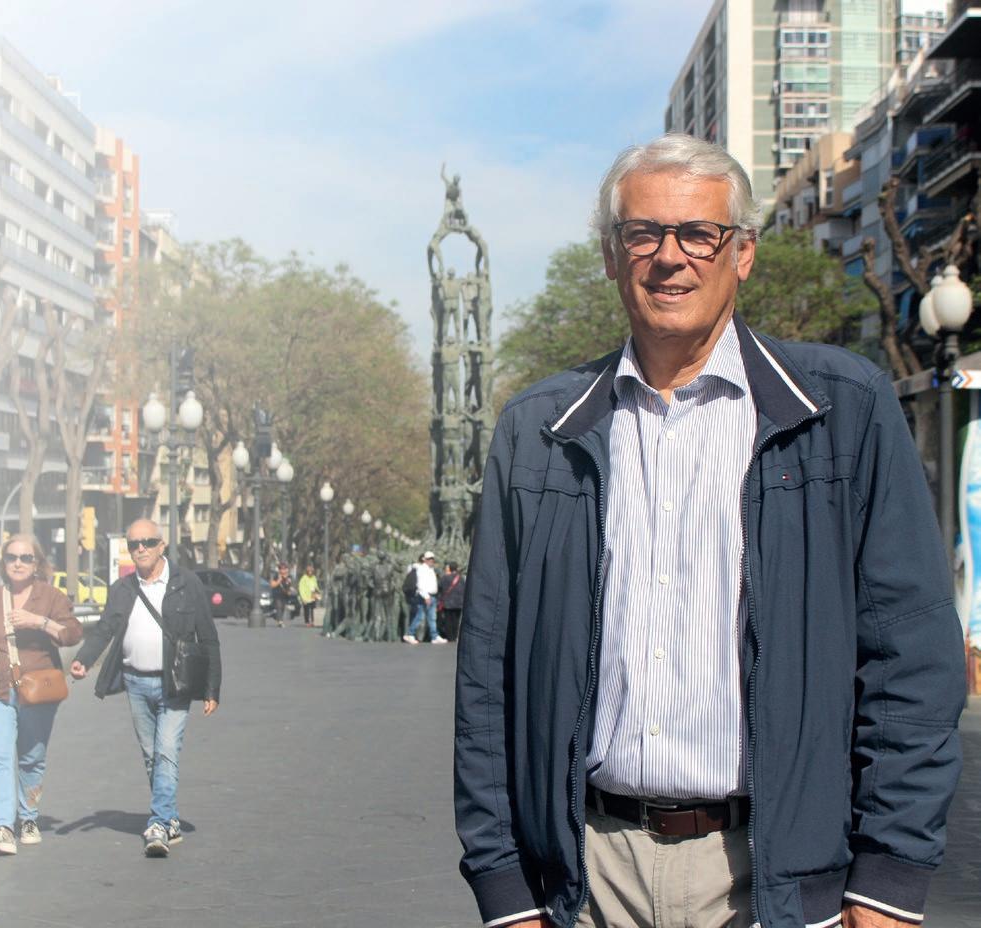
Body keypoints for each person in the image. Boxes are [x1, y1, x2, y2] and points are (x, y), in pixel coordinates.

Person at [453, 134, 966, 928]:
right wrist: (504, 888)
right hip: (586, 881)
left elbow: (912, 656)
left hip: (774, 881)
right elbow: (488, 674)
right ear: (611, 255)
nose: (670, 258)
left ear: (743, 253)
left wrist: (888, 883)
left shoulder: (842, 410)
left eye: (699, 233)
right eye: (643, 234)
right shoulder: (538, 432)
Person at [70, 520, 221, 858]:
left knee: (166, 751)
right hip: (135, 683)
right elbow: (105, 628)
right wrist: (83, 659)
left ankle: (158, 824)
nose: (140, 549)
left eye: (148, 542)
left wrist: (212, 688)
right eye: (134, 544)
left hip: (175, 683)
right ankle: (170, 819)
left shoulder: (187, 583)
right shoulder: (122, 588)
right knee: (152, 756)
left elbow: (209, 638)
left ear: (161, 545)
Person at [0, 533, 83, 856]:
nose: (18, 564)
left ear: (37, 564)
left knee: (32, 757)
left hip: (37, 689)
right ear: (3, 563)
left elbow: (72, 634)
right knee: (0, 756)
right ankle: (4, 828)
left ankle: (29, 817)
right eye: (11, 558)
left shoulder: (50, 596)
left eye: (25, 558)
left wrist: (39, 622)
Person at [403, 551, 446, 644]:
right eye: (430, 559)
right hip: (425, 596)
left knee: (432, 617)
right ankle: (410, 634)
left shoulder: (430, 569)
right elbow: (420, 585)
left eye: (432, 559)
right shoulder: (422, 569)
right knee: (420, 616)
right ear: (425, 560)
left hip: (432, 596)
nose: (431, 561)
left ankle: (434, 636)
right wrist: (426, 596)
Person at [437, 562, 463, 642]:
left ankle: (449, 637)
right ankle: (455, 636)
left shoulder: (444, 578)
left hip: (447, 602)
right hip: (458, 602)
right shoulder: (461, 578)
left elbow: (440, 588)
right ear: (457, 568)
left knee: (448, 620)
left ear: (449, 569)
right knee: (456, 620)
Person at [270, 561, 295, 628]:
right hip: (277, 593)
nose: (283, 570)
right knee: (279, 606)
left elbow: (290, 585)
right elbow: (272, 584)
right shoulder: (277, 576)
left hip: (285, 594)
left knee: (282, 607)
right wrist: (279, 581)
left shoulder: (289, 577)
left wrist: (290, 589)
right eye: (281, 569)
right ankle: (280, 622)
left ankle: (279, 619)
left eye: (285, 568)